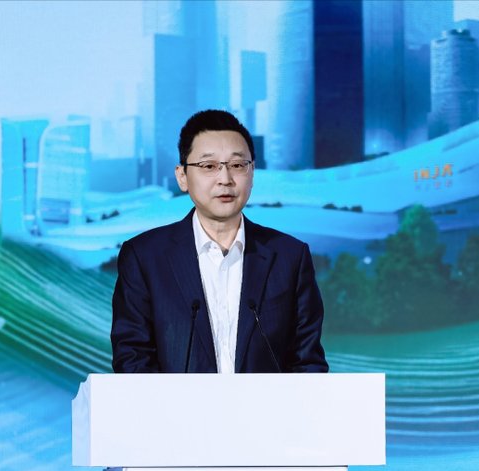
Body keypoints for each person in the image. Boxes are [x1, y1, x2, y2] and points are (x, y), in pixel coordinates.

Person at [111, 109, 328, 373]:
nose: (225, 179)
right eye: (209, 166)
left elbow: (307, 364)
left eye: (237, 165)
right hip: (174, 403)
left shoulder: (289, 257)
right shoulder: (145, 257)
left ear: (252, 173)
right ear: (182, 176)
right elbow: (133, 362)